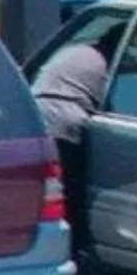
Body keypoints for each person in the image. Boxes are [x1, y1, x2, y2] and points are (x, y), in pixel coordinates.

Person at [32, 41, 109, 249]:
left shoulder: (68, 52)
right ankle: (75, 247)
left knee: (44, 192)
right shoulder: (103, 65)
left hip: (36, 117)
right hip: (68, 123)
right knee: (72, 193)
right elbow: (108, 106)